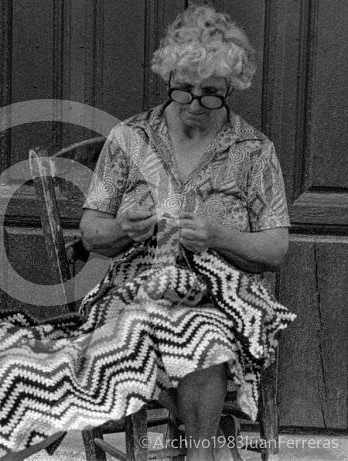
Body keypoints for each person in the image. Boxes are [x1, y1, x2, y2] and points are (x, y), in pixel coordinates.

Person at [80, 5, 290, 461]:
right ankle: (201, 439)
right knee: (148, 327)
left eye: (210, 93)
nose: (194, 103)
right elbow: (91, 232)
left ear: (231, 88)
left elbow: (275, 248)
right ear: (167, 78)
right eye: (184, 90)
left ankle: (197, 451)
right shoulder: (129, 137)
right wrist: (123, 228)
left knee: (203, 332)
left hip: (220, 294)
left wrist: (218, 235)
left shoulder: (253, 150)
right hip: (135, 288)